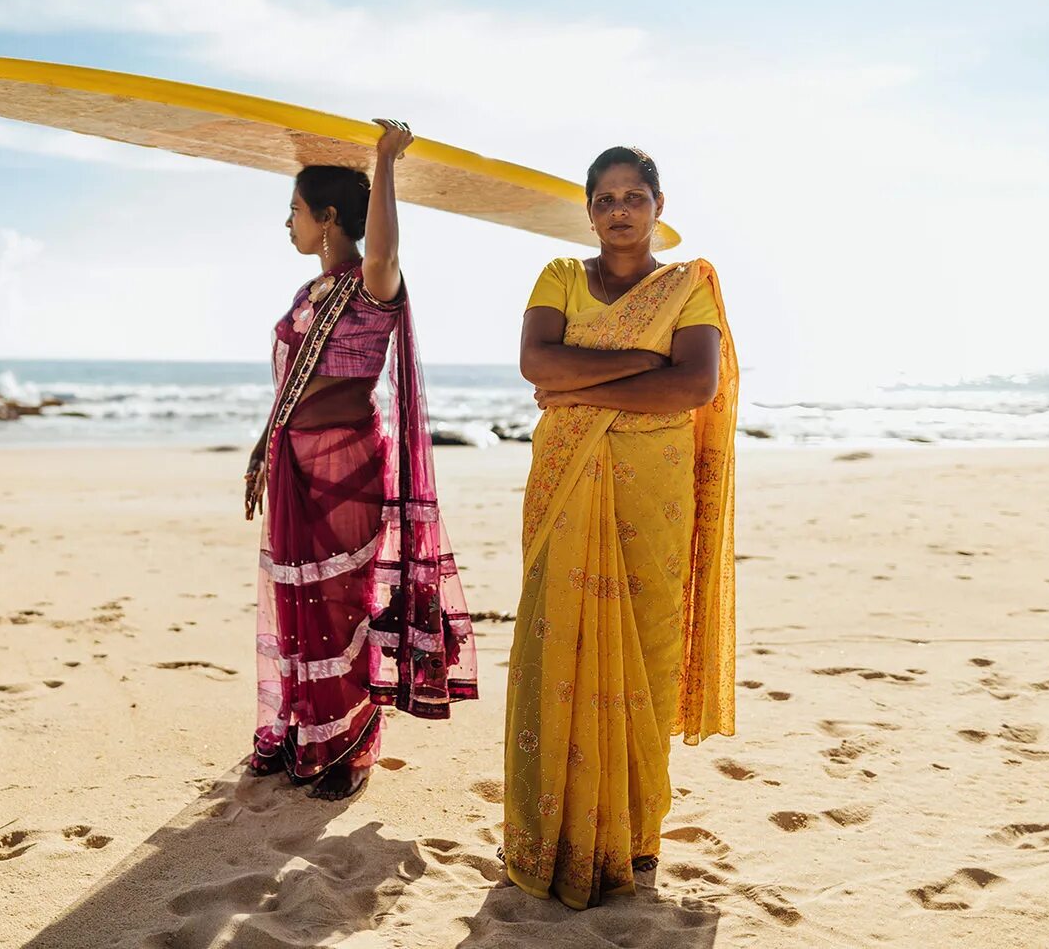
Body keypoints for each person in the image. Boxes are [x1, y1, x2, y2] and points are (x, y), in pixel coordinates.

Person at [502, 145, 738, 907]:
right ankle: (559, 830)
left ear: (659, 205)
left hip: (652, 495)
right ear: (589, 208)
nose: (619, 209)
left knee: (644, 647)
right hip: (568, 486)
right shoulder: (561, 279)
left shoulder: (686, 286)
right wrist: (641, 361)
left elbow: (694, 384)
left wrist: (589, 378)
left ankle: (634, 835)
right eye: (604, 198)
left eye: (634, 195)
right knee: (560, 637)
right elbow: (538, 365)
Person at [244, 119, 479, 801]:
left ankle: (350, 745)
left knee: (342, 605)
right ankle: (308, 730)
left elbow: (383, 250)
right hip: (294, 464)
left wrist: (385, 162)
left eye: (293, 211)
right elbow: (289, 384)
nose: (286, 224)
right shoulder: (305, 295)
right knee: (298, 602)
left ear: (327, 219)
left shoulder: (369, 287)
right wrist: (263, 447)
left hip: (345, 465)